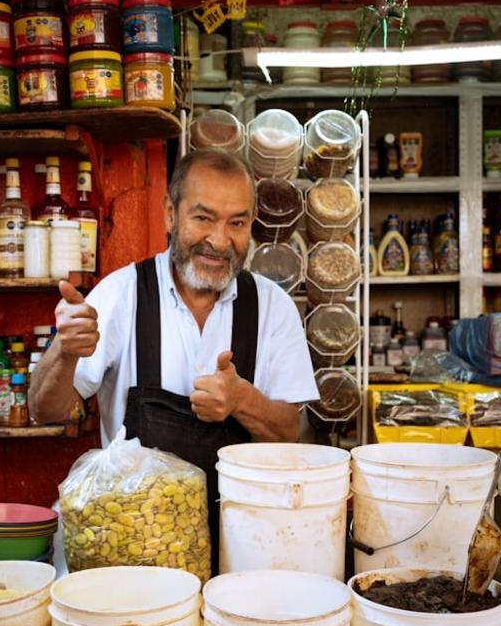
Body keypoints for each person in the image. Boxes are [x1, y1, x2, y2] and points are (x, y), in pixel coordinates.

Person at [30, 149, 319, 565]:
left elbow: (288, 432)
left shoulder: (273, 307)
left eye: (236, 223)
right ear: (170, 213)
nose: (220, 241)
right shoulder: (122, 294)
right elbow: (44, 409)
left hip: (243, 550)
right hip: (134, 545)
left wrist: (240, 400)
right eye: (203, 218)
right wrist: (64, 350)